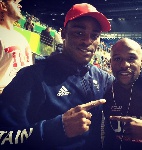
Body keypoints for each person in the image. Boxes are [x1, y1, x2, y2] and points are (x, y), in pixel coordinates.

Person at [0, 3, 113, 150]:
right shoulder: (31, 77)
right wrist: (56, 128)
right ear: (63, 33)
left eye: (95, 35)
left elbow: (134, 88)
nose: (87, 41)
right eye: (79, 33)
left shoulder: (101, 78)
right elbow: (3, 137)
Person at [0, 0, 33, 94]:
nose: (20, 6)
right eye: (15, 2)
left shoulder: (21, 37)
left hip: (21, 101)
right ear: (3, 6)